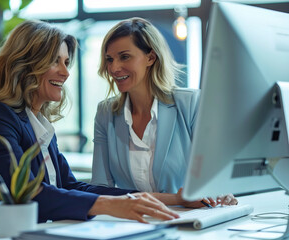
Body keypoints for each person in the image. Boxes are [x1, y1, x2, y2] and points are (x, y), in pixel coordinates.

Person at [0, 20, 183, 234]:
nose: (65, 72)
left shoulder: (38, 124)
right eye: (55, 61)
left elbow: (71, 186)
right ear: (26, 64)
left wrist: (173, 199)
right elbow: (28, 194)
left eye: (66, 62)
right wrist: (111, 205)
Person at [90, 17, 238, 206]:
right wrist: (175, 199)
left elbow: (214, 177)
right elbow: (101, 190)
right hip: (132, 226)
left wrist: (220, 193)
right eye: (109, 59)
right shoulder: (106, 113)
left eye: (124, 57)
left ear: (151, 57)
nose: (113, 68)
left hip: (189, 224)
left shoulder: (191, 104)